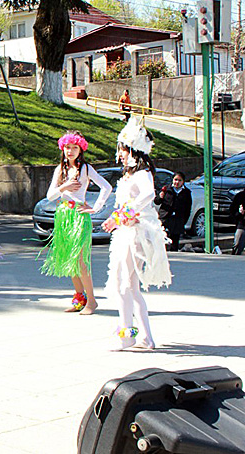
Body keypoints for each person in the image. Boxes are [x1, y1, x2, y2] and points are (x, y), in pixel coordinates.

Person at [102, 118, 172, 350]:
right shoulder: (134, 174)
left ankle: (127, 335)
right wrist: (118, 217)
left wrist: (122, 215)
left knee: (124, 284)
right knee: (131, 287)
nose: (119, 155)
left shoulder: (142, 174)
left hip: (135, 234)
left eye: (122, 150)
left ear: (133, 150)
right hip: (128, 231)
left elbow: (147, 196)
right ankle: (146, 337)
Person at [41, 131, 112, 315]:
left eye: (74, 147)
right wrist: (64, 187)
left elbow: (106, 186)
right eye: (67, 147)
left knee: (81, 261)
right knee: (69, 259)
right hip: (63, 216)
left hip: (79, 216)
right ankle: (80, 299)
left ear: (81, 150)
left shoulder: (86, 168)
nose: (70, 151)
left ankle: (92, 301)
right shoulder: (60, 170)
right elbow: (50, 196)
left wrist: (96, 208)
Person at [154, 171, 192, 252]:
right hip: (165, 218)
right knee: (162, 240)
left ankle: (174, 253)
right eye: (175, 180)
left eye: (179, 180)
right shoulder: (166, 189)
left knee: (174, 242)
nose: (177, 182)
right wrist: (160, 197)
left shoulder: (186, 192)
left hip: (177, 220)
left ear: (183, 182)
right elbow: (157, 202)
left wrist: (183, 221)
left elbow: (188, 208)